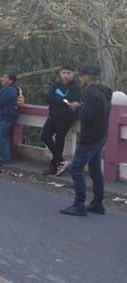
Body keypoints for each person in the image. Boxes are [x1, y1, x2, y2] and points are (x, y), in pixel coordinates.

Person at [60, 65, 112, 216]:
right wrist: (81, 105)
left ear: (88, 77)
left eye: (82, 76)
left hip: (89, 137)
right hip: (101, 135)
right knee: (95, 170)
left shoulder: (89, 92)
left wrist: (78, 109)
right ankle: (97, 203)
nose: (80, 79)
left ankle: (79, 204)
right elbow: (95, 110)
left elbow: (86, 116)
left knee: (76, 168)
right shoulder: (104, 91)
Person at [41, 66, 81, 176]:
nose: (66, 75)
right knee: (44, 135)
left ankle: (54, 166)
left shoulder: (76, 87)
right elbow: (48, 98)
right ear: (60, 73)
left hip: (66, 117)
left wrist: (58, 101)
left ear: (73, 74)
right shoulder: (56, 85)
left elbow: (72, 99)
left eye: (68, 73)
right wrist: (64, 102)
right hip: (53, 115)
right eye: (64, 72)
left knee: (59, 139)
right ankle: (61, 160)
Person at [0, 72, 19, 166]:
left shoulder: (10, 91)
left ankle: (4, 158)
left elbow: (0, 102)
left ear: (11, 80)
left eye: (5, 78)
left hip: (6, 116)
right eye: (2, 77)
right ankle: (5, 157)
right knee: (4, 137)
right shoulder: (7, 89)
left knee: (0, 137)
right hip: (5, 115)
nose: (2, 79)